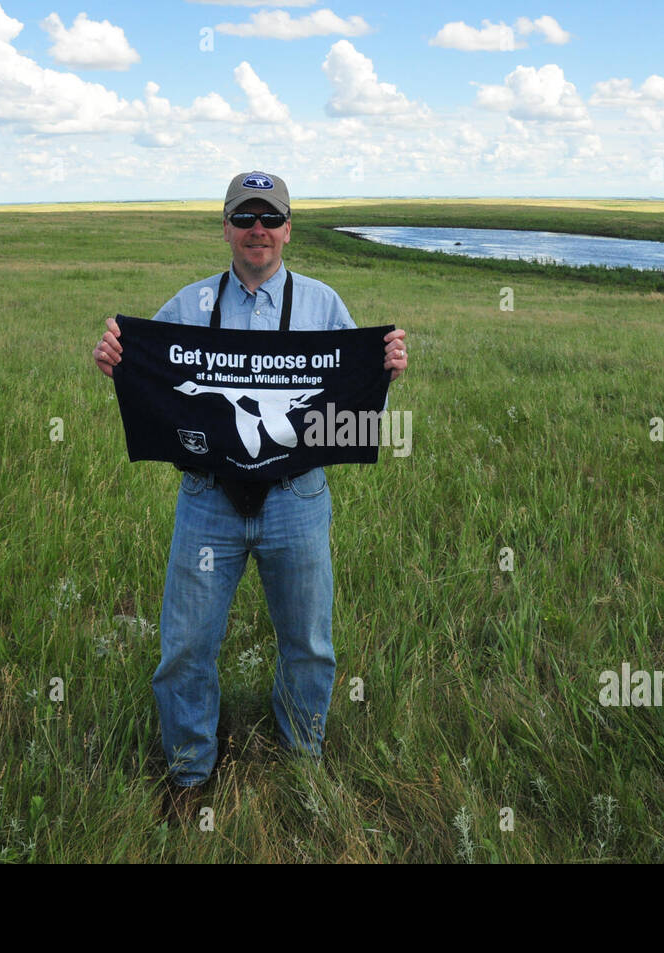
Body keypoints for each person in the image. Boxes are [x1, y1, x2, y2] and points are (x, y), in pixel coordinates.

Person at [92, 171, 407, 810]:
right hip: (208, 502)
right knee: (186, 645)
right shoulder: (189, 306)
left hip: (298, 500)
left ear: (288, 228)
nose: (257, 231)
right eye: (244, 218)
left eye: (269, 219)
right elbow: (152, 375)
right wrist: (116, 361)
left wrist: (385, 371)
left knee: (309, 644)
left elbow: (346, 393)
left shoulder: (323, 305)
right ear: (227, 228)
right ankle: (187, 774)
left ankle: (302, 761)